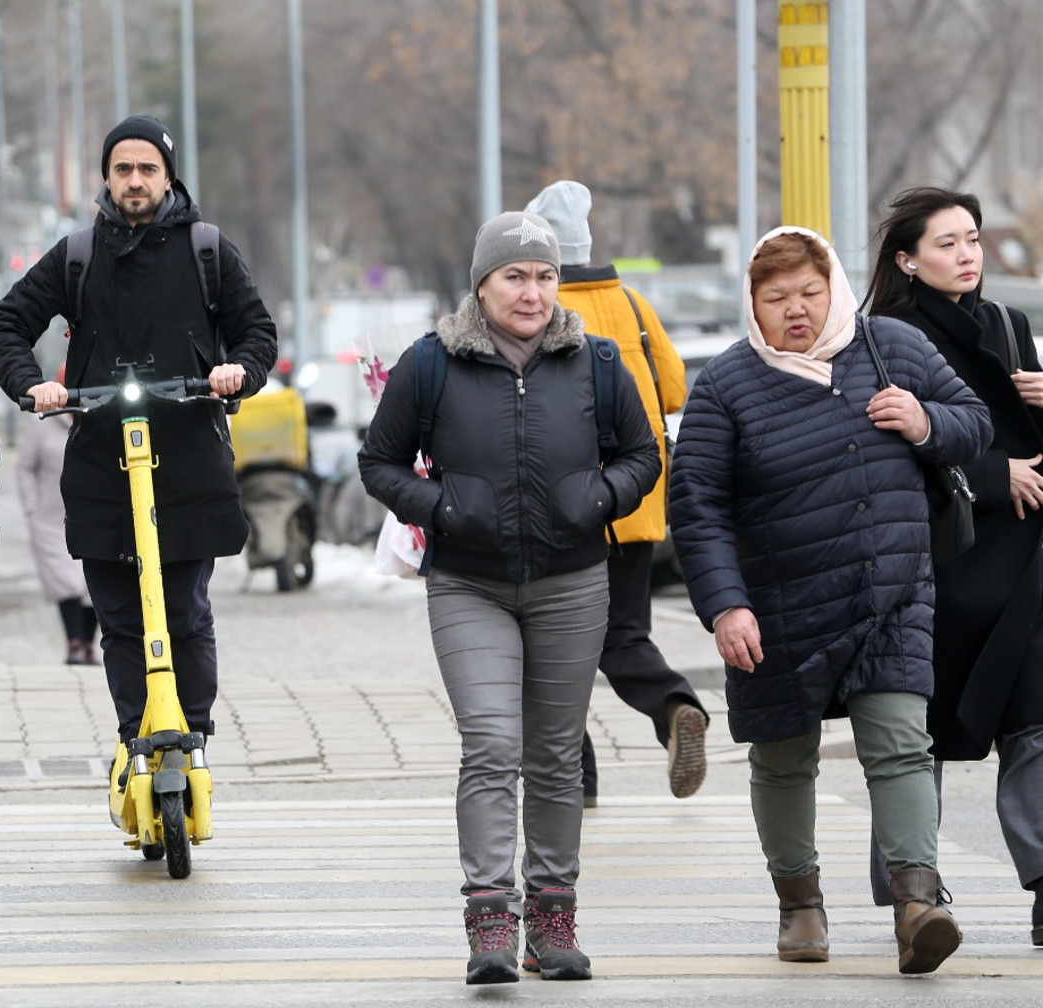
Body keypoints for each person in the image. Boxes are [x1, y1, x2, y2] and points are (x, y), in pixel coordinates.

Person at [670, 226, 990, 974]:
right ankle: (800, 906)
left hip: (891, 588)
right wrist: (726, 606)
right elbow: (699, 506)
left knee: (903, 744)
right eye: (777, 298)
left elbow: (972, 422)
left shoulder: (894, 348)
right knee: (783, 757)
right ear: (753, 304)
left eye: (811, 293)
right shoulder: (725, 385)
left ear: (835, 289)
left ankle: (918, 903)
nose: (797, 310)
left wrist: (925, 421)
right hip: (777, 603)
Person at [358, 210, 661, 985]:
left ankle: (552, 924)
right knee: (492, 745)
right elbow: (380, 462)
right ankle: (491, 921)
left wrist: (599, 497)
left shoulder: (594, 361)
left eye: (545, 276)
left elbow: (644, 454)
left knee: (556, 756)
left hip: (571, 582)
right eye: (515, 276)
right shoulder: (430, 363)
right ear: (482, 284)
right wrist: (441, 507)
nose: (533, 292)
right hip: (468, 583)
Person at [0, 114, 278, 764]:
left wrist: (238, 372)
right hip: (102, 463)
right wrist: (33, 387)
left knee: (185, 613)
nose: (135, 180)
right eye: (123, 169)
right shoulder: (78, 256)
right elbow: (4, 326)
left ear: (168, 175)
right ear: (107, 178)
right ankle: (134, 741)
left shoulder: (207, 250)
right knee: (118, 619)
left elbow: (257, 331)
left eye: (148, 168)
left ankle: (191, 738)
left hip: (189, 460)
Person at [865, 185, 1043, 946]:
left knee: (1035, 726)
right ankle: (914, 889)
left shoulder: (1009, 324)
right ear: (907, 258)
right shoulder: (884, 337)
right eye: (947, 243)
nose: (967, 254)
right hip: (931, 564)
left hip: (1023, 565)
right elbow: (880, 453)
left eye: (972, 239)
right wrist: (992, 475)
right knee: (915, 732)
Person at [524, 180, 708, 802]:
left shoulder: (536, 311)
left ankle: (575, 779)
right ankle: (675, 704)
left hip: (563, 507)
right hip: (636, 502)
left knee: (546, 644)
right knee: (623, 633)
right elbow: (676, 388)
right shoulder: (631, 304)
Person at [20, 365, 99, 664]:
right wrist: (32, 507)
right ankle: (74, 643)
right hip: (51, 517)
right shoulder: (43, 424)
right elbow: (25, 467)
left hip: (92, 513)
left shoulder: (97, 418)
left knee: (92, 584)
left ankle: (89, 645)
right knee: (65, 583)